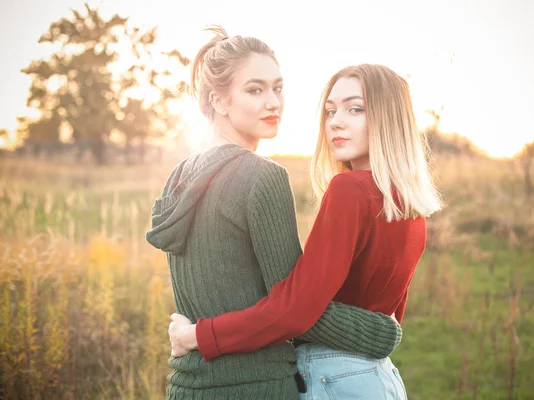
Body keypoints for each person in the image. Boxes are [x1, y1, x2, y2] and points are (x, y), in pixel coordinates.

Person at [146, 26, 403, 399]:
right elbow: (297, 309)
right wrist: (382, 330)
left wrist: (192, 336)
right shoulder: (262, 177)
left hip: (188, 385)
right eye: (255, 90)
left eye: (278, 88)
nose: (274, 103)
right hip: (255, 385)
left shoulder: (180, 176)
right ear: (218, 101)